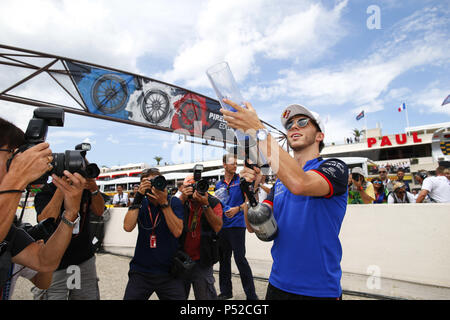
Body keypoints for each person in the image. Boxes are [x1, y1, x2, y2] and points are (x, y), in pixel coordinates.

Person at [221, 101, 349, 300]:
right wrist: (250, 191)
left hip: (319, 290)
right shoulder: (281, 182)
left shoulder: (334, 167)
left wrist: (258, 131)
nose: (294, 126)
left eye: (303, 122)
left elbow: (300, 183)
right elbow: (254, 226)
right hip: (277, 285)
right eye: (289, 125)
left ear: (319, 136)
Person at [0, 117, 86, 290]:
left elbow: (44, 262)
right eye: (12, 153)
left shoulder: (7, 227)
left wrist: (70, 213)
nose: (17, 160)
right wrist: (17, 179)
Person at [32, 167, 105, 300]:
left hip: (83, 258)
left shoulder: (84, 190)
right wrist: (62, 188)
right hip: (55, 262)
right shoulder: (47, 191)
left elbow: (100, 211)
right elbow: (44, 219)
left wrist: (94, 189)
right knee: (53, 295)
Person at [123, 168, 185, 300]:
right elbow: (127, 227)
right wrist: (138, 197)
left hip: (169, 271)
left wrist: (163, 203)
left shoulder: (173, 201)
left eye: (156, 181)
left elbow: (177, 231)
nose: (153, 186)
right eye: (148, 183)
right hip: (141, 271)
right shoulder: (141, 203)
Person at [214, 154, 258, 300]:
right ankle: (226, 292)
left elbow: (250, 201)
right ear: (224, 164)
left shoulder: (241, 181)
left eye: (236, 163)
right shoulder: (218, 185)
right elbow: (217, 204)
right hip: (223, 226)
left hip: (237, 225)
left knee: (240, 259)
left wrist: (237, 209)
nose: (235, 166)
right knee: (224, 260)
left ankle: (251, 295)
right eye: (232, 163)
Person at [177, 175, 223, 299]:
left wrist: (205, 205)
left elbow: (218, 227)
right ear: (182, 188)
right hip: (181, 259)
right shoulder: (180, 201)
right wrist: (182, 199)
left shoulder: (213, 202)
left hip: (204, 259)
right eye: (189, 186)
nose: (194, 190)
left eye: (196, 186)